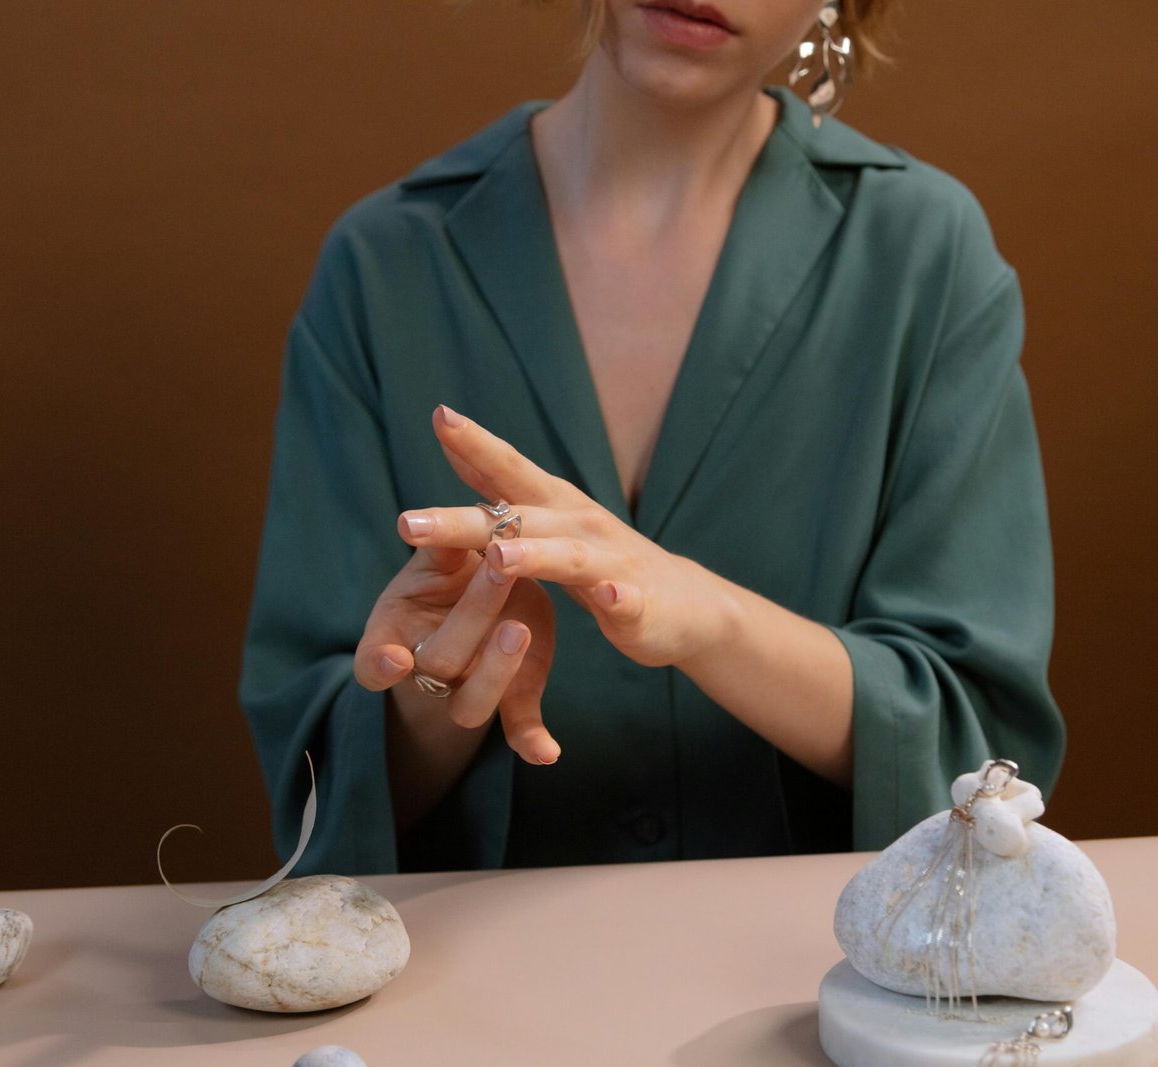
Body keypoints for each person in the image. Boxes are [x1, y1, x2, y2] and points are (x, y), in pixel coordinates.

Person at [240, 0, 1064, 874]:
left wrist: (709, 618)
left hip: (821, 975)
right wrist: (438, 684)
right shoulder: (384, 263)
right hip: (463, 972)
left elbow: (989, 762)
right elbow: (319, 789)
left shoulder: (926, 252)